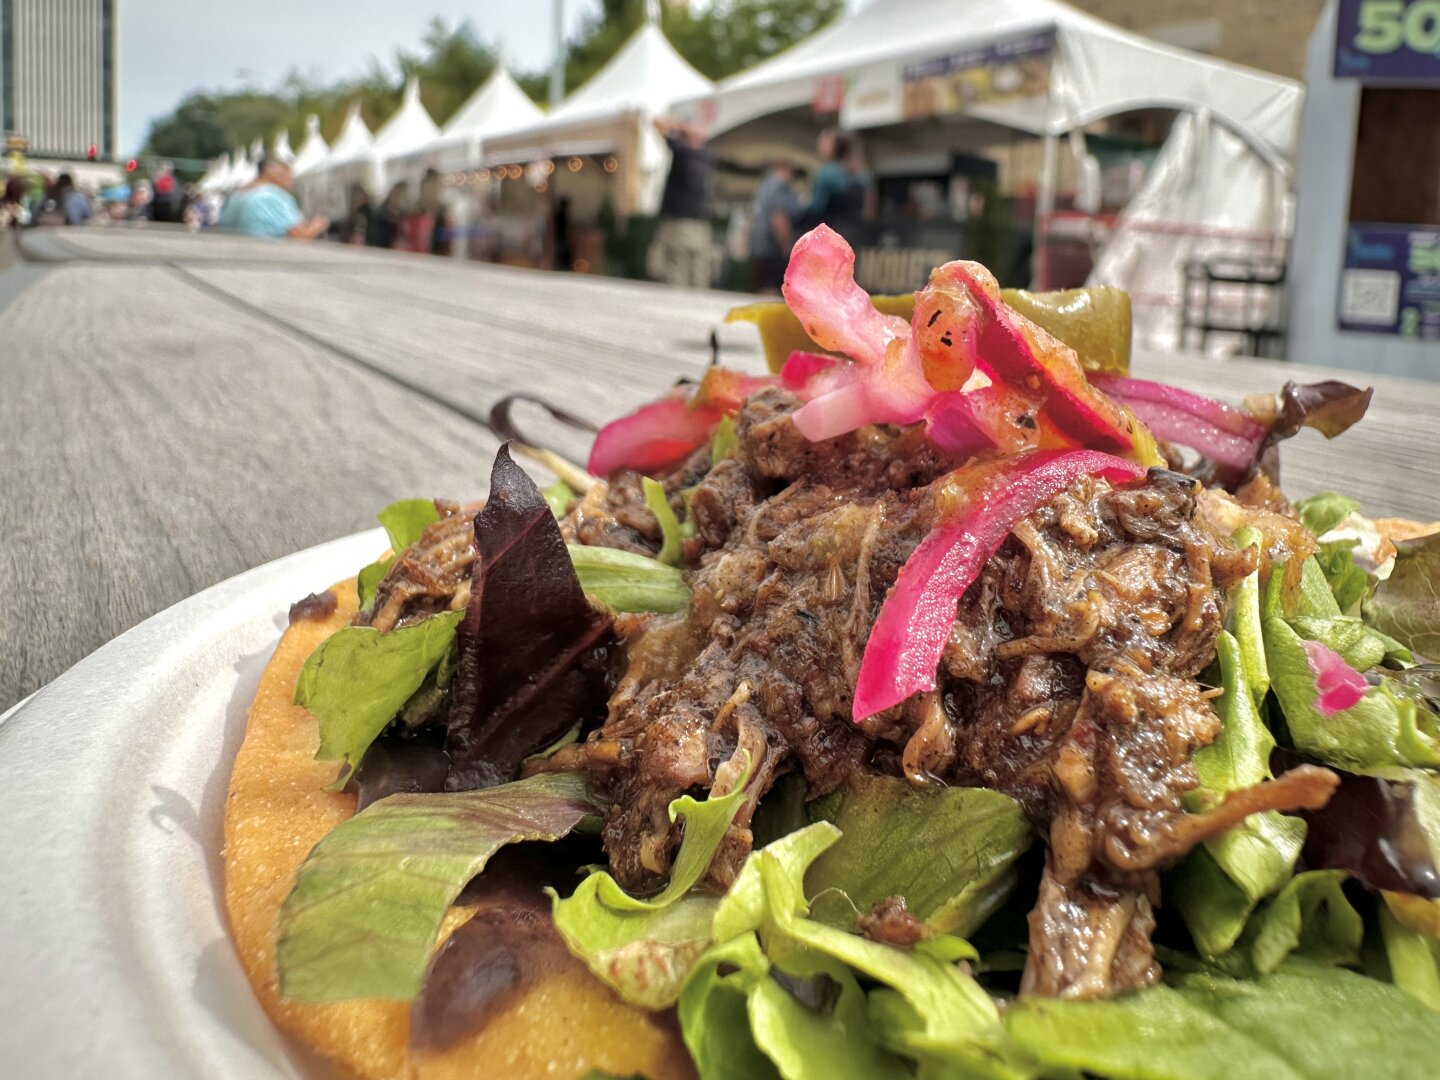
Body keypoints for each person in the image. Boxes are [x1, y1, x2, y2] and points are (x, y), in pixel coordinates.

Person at [647, 116, 716, 289]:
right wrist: (682, 126)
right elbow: (657, 123)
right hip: (679, 218)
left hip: (698, 220)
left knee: (699, 266)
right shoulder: (681, 149)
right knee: (676, 264)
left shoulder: (706, 154)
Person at [219, 157, 327, 240]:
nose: (291, 180)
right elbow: (300, 236)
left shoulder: (236, 195)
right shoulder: (274, 196)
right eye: (287, 173)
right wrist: (317, 225)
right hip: (271, 260)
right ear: (270, 172)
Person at [798, 128, 870, 244]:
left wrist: (801, 206)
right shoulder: (861, 174)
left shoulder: (827, 174)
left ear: (836, 147)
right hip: (852, 235)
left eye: (825, 142)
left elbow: (816, 208)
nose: (820, 146)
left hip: (829, 238)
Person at [748, 159, 799, 293]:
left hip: (761, 245)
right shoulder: (780, 187)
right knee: (770, 291)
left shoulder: (765, 186)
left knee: (757, 287)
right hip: (774, 248)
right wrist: (787, 246)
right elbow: (779, 218)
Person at [365, 183, 406, 249]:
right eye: (397, 195)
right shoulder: (379, 215)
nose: (399, 199)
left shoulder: (405, 217)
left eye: (403, 196)